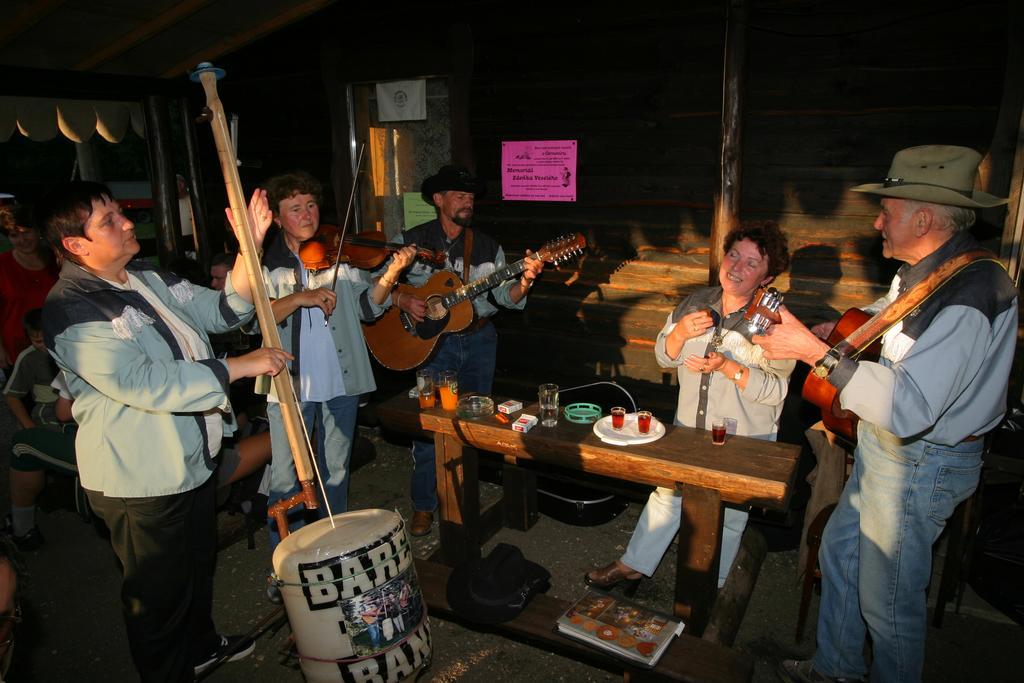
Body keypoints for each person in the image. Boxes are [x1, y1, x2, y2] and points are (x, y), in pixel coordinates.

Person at [754, 146, 1018, 683]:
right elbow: (891, 314)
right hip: (889, 453)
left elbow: (910, 406)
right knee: (843, 554)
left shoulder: (971, 291)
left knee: (888, 602)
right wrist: (848, 333)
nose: (877, 221)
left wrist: (816, 353)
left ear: (924, 217)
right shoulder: (932, 270)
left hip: (920, 463)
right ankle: (837, 670)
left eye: (887, 210)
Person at [39, 180, 291, 681]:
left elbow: (221, 309)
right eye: (108, 220)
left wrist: (248, 248)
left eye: (120, 212)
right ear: (75, 245)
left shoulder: (145, 276)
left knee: (197, 567)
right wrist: (238, 367)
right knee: (156, 599)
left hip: (191, 458)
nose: (128, 222)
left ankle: (199, 647)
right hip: (141, 477)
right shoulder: (71, 307)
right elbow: (142, 382)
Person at [585, 221, 794, 592]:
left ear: (767, 277)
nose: (736, 267)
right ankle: (633, 565)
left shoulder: (776, 323)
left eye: (751, 263)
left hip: (743, 437)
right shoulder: (696, 302)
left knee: (728, 515)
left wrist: (729, 367)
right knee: (667, 496)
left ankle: (713, 588)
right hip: (690, 428)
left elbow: (776, 391)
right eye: (733, 255)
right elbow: (665, 358)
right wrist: (679, 333)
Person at [259, 171, 416, 548]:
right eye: (295, 208)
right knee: (286, 475)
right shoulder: (267, 266)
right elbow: (255, 320)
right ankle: (286, 556)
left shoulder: (340, 257)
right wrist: (299, 297)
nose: (307, 214)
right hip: (289, 385)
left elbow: (367, 308)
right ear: (278, 219)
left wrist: (391, 274)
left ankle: (334, 545)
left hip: (341, 380)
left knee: (337, 470)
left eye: (311, 205)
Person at [389, 164, 544, 536]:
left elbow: (505, 297)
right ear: (438, 200)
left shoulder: (488, 246)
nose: (467, 202)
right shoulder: (411, 240)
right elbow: (376, 285)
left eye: (471, 197)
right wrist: (403, 298)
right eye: (459, 195)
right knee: (430, 426)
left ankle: (461, 499)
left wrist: (525, 280)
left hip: (478, 340)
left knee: (474, 421)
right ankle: (425, 505)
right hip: (429, 343)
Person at [0, 204, 58, 373]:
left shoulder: (58, 259)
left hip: (59, 343)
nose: (22, 240)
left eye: (26, 232)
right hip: (17, 348)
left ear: (38, 231)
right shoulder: (2, 265)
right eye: (14, 235)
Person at [2, 309, 59, 431]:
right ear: (28, 337)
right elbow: (12, 397)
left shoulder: (68, 347)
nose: (46, 345)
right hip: (47, 414)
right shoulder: (28, 358)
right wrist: (30, 428)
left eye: (49, 338)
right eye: (38, 341)